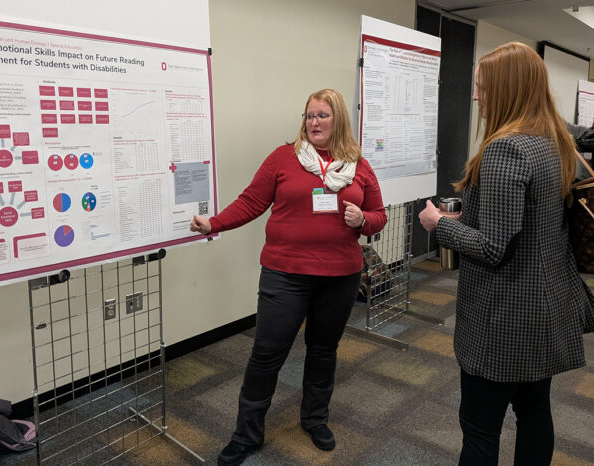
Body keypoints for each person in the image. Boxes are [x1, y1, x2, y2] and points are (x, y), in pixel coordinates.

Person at [418, 42, 593, 465]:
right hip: (545, 309)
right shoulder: (553, 143)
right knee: (535, 414)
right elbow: (529, 227)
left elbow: (495, 248)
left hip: (503, 320)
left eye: (482, 87)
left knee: (480, 430)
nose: (476, 96)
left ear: (506, 89)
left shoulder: (504, 150)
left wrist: (439, 225)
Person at [190, 88, 387, 465]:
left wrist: (363, 220)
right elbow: (251, 201)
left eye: (322, 115)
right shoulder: (284, 157)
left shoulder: (357, 164)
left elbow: (378, 213)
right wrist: (213, 224)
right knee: (266, 353)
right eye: (309, 115)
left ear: (339, 120)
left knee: (323, 350)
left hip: (340, 275)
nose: (313, 122)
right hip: (286, 274)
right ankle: (246, 434)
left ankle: (314, 419)